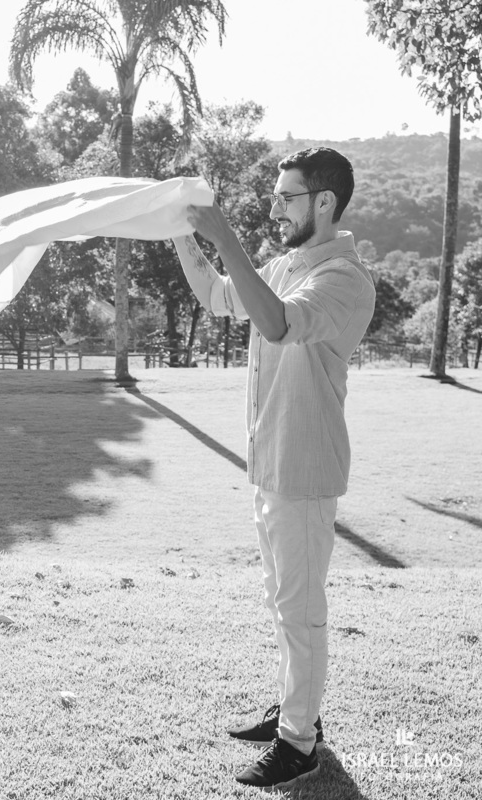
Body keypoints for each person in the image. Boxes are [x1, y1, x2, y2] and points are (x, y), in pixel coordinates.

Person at [171, 147, 375, 789]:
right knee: (282, 602)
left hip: (305, 471)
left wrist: (223, 233)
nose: (273, 206)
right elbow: (215, 293)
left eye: (285, 197)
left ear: (323, 204)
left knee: (301, 608)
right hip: (269, 464)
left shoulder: (344, 279)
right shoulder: (285, 265)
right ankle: (295, 711)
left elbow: (280, 324)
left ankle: (300, 743)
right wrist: (180, 231)